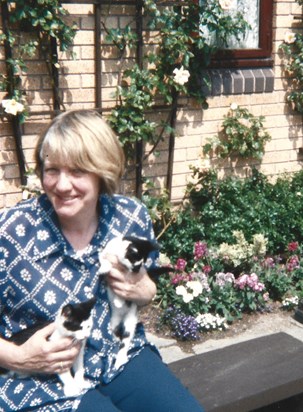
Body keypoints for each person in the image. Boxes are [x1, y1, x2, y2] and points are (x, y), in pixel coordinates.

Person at [0, 110, 204, 411]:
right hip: (40, 377)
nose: (61, 185)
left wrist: (146, 290)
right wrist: (18, 357)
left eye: (77, 171)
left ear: (101, 171)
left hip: (118, 357)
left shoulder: (129, 216)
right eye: (52, 169)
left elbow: (146, 282)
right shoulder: (11, 232)